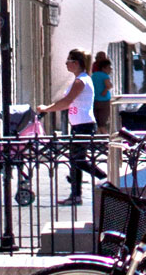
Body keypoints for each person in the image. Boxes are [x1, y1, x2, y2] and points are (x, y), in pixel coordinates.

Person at [39, 48, 98, 206]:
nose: (66, 64)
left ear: (76, 63)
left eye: (68, 61)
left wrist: (47, 108)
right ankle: (76, 194)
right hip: (79, 125)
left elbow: (67, 101)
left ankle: (104, 178)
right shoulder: (79, 79)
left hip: (84, 125)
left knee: (78, 160)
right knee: (76, 161)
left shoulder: (81, 81)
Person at [91, 49, 113, 132]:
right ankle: (106, 140)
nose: (110, 70)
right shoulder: (104, 76)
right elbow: (108, 85)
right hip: (104, 101)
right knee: (102, 124)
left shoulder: (94, 75)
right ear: (104, 68)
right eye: (109, 68)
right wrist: (105, 90)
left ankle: (97, 141)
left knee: (96, 123)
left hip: (95, 100)